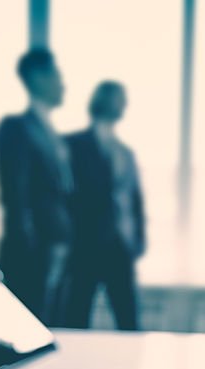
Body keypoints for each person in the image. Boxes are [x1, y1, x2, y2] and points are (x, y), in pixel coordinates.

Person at [0, 48, 73, 324]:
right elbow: (15, 194)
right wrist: (29, 246)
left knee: (53, 327)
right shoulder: (17, 128)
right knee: (28, 328)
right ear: (37, 78)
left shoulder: (52, 134)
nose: (63, 84)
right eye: (56, 75)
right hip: (33, 251)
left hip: (58, 246)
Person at [63, 81, 146, 330]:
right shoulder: (73, 144)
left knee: (128, 320)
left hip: (120, 248)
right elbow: (64, 196)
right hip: (85, 246)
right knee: (76, 317)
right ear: (102, 101)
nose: (123, 105)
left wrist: (138, 241)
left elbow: (136, 201)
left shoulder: (126, 153)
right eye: (119, 98)